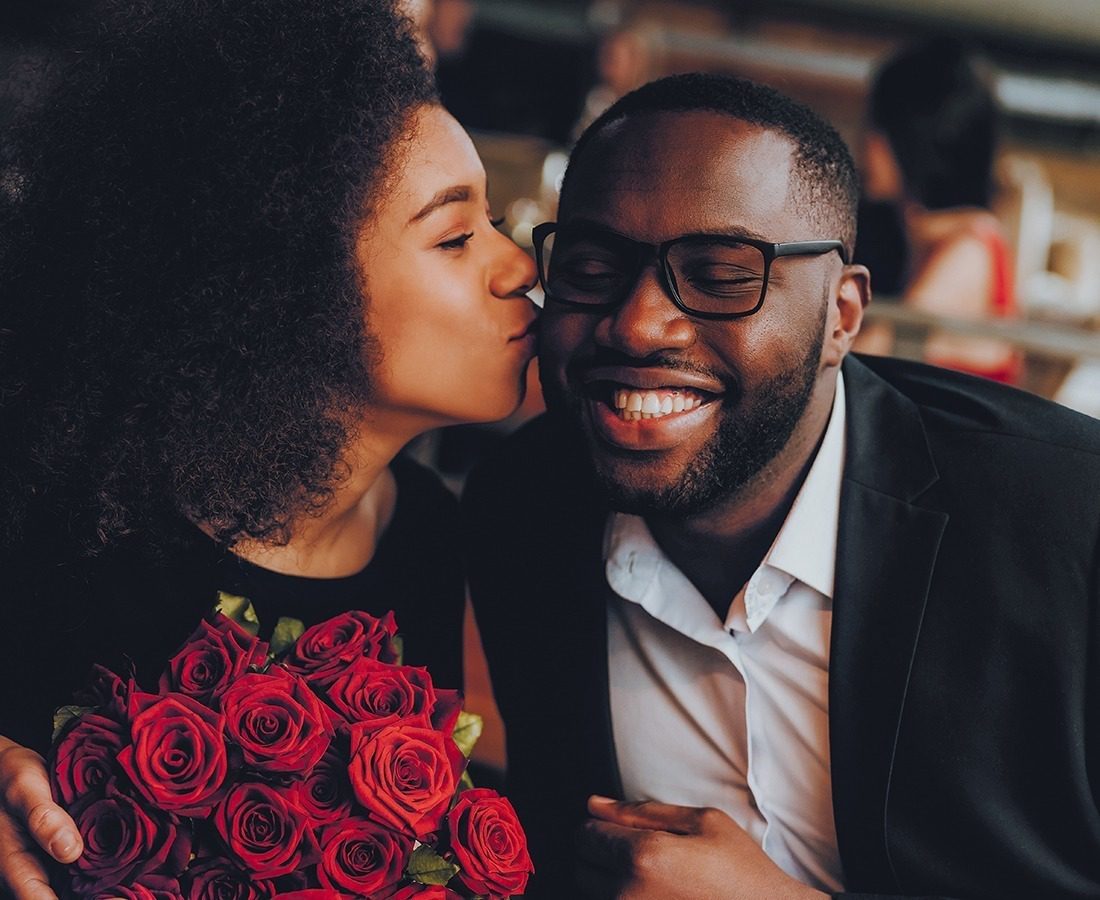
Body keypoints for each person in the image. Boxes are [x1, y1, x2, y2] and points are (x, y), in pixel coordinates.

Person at [463, 72, 1100, 899]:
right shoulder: (522, 509)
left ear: (842, 315)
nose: (637, 323)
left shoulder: (1064, 526)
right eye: (591, 265)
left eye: (723, 274)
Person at [0, 0, 537, 895]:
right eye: (455, 236)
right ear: (288, 283)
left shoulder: (428, 536)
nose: (519, 265)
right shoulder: (61, 498)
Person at [858, 38, 1020, 383]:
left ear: (915, 139)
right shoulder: (917, 234)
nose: (866, 142)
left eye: (879, 126)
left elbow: (864, 355)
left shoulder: (967, 250)